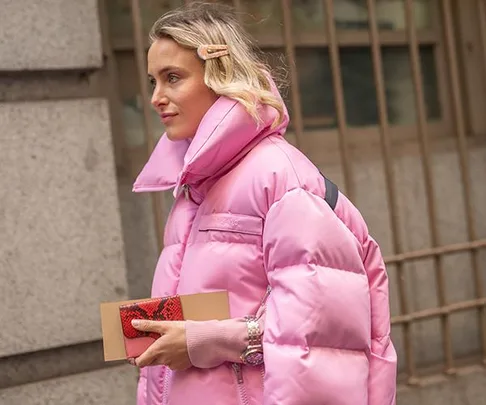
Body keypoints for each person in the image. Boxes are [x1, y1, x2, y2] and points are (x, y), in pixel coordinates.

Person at [130, 2, 397, 405]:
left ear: (220, 76)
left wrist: (205, 341)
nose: (156, 97)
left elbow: (318, 335)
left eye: (173, 78)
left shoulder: (279, 178)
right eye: (153, 81)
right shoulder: (194, 187)